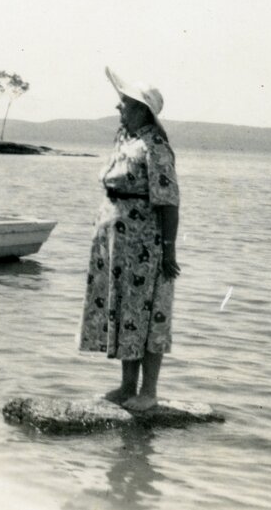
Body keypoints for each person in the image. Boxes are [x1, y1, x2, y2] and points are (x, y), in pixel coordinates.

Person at [79, 68, 181, 412]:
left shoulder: (155, 147)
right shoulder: (126, 141)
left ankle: (148, 391)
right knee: (127, 310)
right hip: (119, 244)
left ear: (141, 109)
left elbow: (169, 203)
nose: (118, 108)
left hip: (144, 246)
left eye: (124, 103)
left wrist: (168, 250)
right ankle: (127, 387)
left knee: (148, 312)